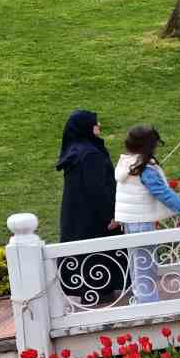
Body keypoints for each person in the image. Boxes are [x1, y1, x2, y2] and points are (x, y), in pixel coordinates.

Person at [114, 125, 180, 304]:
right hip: (141, 222)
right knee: (146, 267)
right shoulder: (144, 168)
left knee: (137, 266)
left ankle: (141, 301)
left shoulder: (126, 163)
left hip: (130, 222)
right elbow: (162, 192)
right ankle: (148, 304)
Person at [56, 109, 125, 302]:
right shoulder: (91, 154)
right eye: (95, 122)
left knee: (87, 255)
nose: (99, 125)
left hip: (78, 215)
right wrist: (111, 214)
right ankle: (101, 293)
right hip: (94, 216)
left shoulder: (75, 151)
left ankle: (91, 293)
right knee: (99, 254)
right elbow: (98, 188)